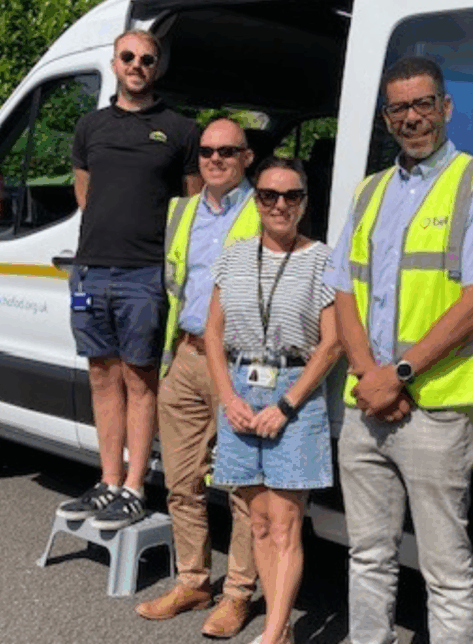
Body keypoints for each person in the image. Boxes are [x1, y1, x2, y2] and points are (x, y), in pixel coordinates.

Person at [325, 56, 473, 644]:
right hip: (369, 407)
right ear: (387, 118)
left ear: (446, 107)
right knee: (368, 557)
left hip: (438, 413)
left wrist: (399, 374)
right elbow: (344, 290)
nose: (413, 118)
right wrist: (368, 376)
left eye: (423, 104)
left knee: (446, 575)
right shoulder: (370, 191)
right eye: (400, 108)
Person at [56, 29, 202, 530]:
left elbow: (190, 207)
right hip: (92, 269)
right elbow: (85, 195)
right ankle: (108, 481)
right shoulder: (89, 127)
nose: (137, 64)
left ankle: (135, 487)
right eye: (128, 57)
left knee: (140, 381)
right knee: (102, 376)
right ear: (115, 63)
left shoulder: (181, 130)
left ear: (156, 67)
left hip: (146, 274)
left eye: (147, 58)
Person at [205, 157, 341, 644]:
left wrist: (285, 405)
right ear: (256, 200)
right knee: (257, 520)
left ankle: (275, 632)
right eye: (268, 195)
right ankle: (277, 631)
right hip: (240, 389)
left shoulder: (323, 259)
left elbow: (332, 344)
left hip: (294, 393)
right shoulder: (233, 254)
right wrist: (227, 398)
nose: (279, 205)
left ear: (305, 202)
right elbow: (213, 332)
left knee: (284, 522)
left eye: (291, 196)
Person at [134, 118, 261, 637]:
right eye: (207, 151)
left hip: (237, 363)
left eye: (227, 151)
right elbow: (174, 284)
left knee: (241, 488)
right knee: (182, 480)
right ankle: (193, 581)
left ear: (246, 157)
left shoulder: (266, 208)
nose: (215, 159)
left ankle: (238, 594)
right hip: (185, 356)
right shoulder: (182, 211)